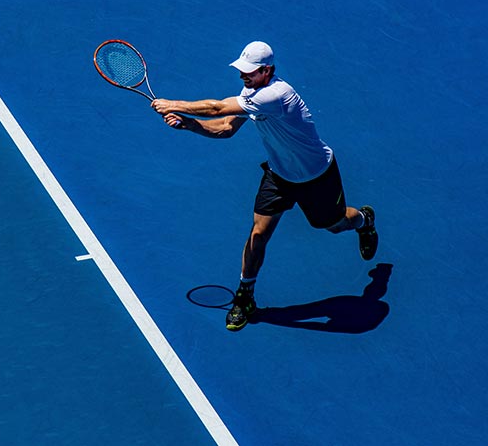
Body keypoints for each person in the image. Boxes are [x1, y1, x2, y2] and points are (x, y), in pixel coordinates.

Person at [151, 41, 378, 331]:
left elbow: (216, 107)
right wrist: (189, 125)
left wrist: (174, 104)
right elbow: (225, 128)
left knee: (333, 224)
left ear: (267, 70)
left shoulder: (276, 95)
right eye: (241, 70)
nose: (243, 76)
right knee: (258, 234)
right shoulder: (251, 93)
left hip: (317, 176)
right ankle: (245, 296)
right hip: (279, 175)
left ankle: (364, 220)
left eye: (250, 71)